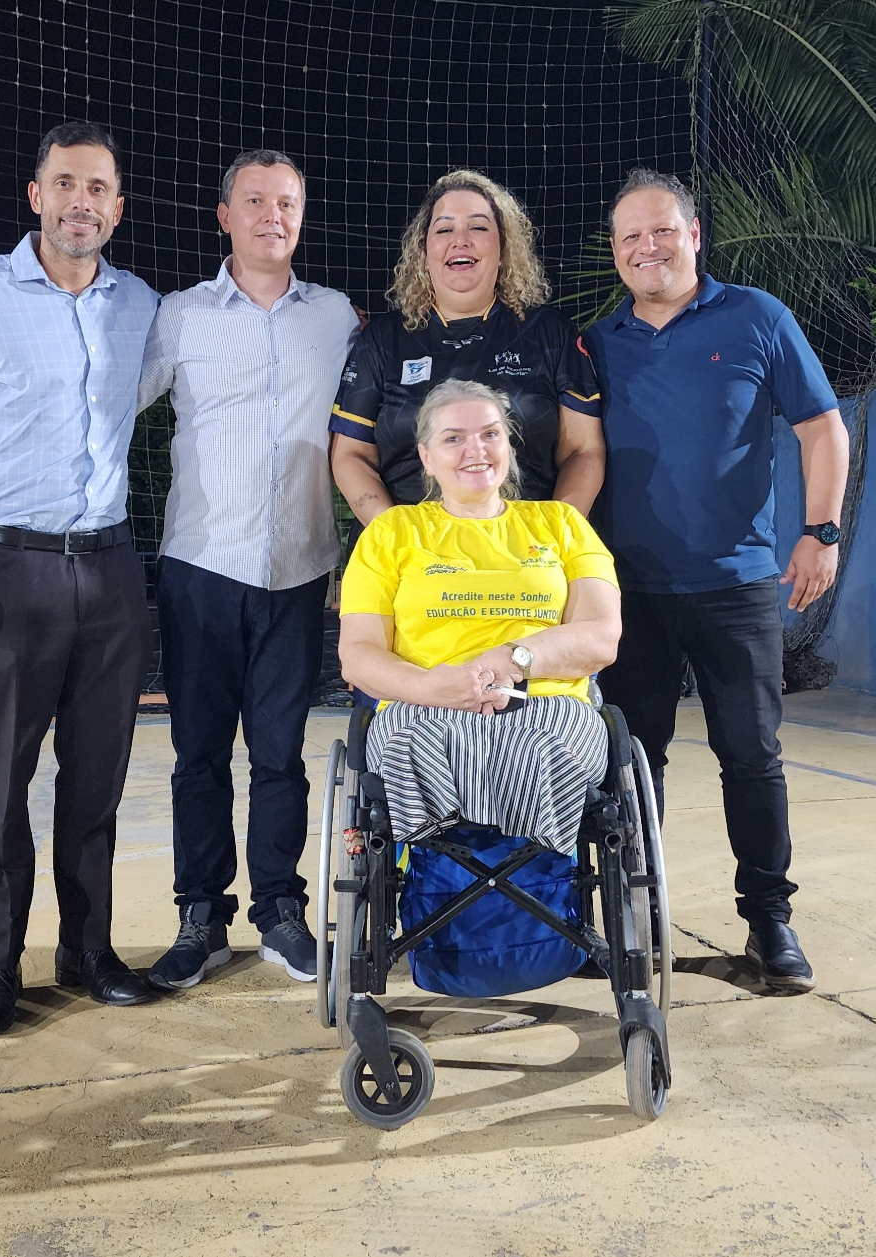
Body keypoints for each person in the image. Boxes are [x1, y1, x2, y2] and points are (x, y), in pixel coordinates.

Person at [584, 167, 850, 993]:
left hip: (735, 585)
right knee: (632, 762)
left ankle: (768, 921)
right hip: (627, 589)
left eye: (662, 230)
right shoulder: (596, 341)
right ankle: (633, 916)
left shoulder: (756, 317)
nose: (647, 247)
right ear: (615, 251)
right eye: (630, 236)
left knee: (751, 755)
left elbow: (822, 428)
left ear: (694, 235)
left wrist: (820, 532)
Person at [0, 122, 160, 1035]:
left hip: (109, 568)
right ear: (35, 195)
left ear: (118, 207)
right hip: (3, 569)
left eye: (98, 187)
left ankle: (88, 951)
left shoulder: (140, 304)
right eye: (65, 182)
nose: (81, 202)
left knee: (97, 778)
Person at [138, 149, 359, 990]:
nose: (273, 215)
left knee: (280, 755)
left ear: (302, 217)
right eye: (256, 201)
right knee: (198, 754)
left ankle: (279, 912)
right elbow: (109, 405)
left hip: (298, 569)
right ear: (223, 215)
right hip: (201, 567)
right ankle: (201, 916)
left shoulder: (334, 316)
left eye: (288, 202)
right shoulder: (180, 315)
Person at [338, 378, 621, 854]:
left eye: (490, 434)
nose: (477, 449)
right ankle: (447, 875)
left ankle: (531, 879)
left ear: (509, 444)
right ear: (426, 456)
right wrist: (431, 687)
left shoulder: (562, 524)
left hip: (546, 705)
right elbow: (358, 654)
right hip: (421, 706)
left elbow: (601, 637)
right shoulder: (391, 532)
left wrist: (513, 660)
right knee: (412, 745)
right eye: (454, 438)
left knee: (543, 747)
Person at [329, 170, 605, 542]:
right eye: (444, 229)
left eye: (478, 227)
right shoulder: (381, 340)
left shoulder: (551, 333)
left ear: (504, 246)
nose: (460, 240)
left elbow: (584, 451)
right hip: (408, 555)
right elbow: (350, 456)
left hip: (524, 551)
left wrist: (553, 536)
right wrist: (394, 538)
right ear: (424, 251)